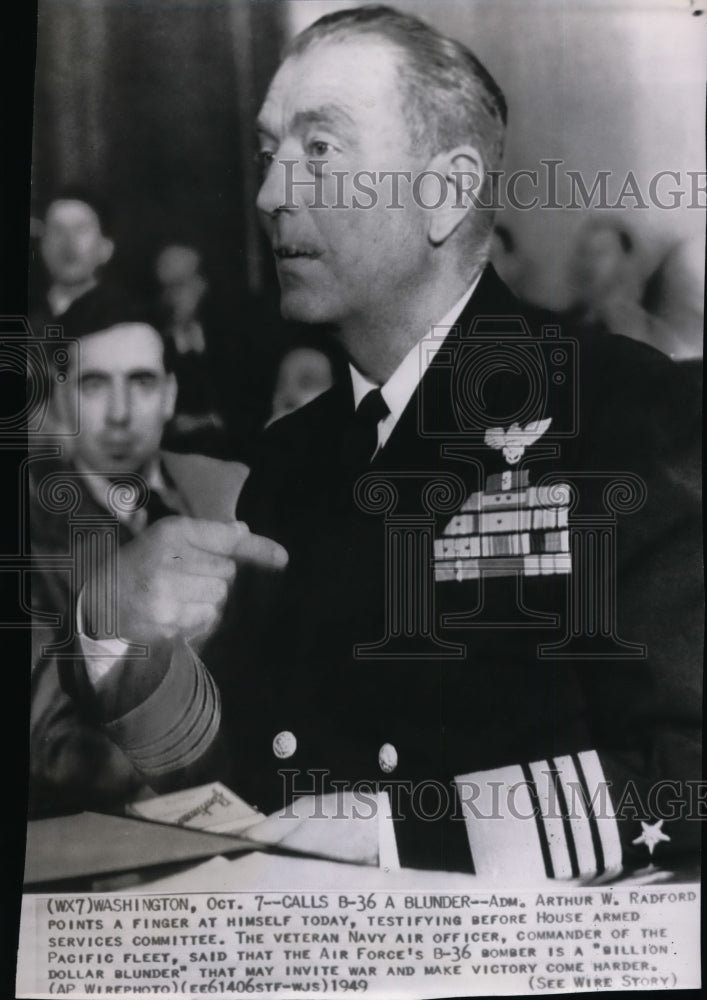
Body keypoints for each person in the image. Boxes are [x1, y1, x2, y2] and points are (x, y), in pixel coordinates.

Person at [64, 6, 700, 879]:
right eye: (268, 154)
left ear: (443, 192)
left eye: (319, 152)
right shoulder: (292, 458)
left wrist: (397, 833)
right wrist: (112, 634)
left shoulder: (619, 410)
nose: (270, 193)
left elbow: (686, 775)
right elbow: (248, 780)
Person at [29, 285, 250, 815]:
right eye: (96, 386)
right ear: (62, 399)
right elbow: (48, 744)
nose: (122, 413)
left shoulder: (230, 491)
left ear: (172, 395)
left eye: (142, 382)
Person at [30, 186, 116, 334]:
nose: (68, 243)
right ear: (41, 245)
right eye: (57, 230)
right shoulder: (28, 315)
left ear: (106, 248)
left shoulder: (122, 322)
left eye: (81, 230)